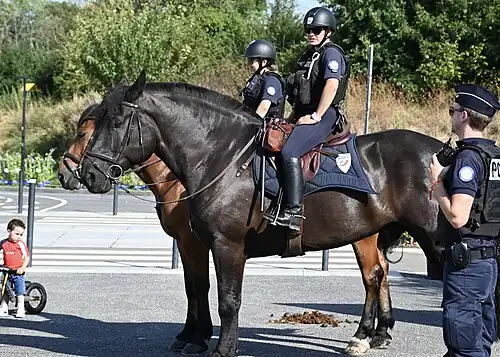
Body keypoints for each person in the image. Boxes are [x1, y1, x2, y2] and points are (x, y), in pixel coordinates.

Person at [428, 84, 500, 357]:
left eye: (453, 110)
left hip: (467, 265)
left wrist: (438, 185)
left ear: (464, 116)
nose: (451, 115)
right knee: (479, 342)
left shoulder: (468, 159)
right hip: (487, 262)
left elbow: (458, 216)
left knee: (465, 348)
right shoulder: (494, 156)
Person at [264, 6, 350, 231]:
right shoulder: (309, 55)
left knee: (290, 151)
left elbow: (332, 85)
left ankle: (293, 211)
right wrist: (290, 119)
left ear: (328, 31)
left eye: (317, 29)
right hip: (305, 114)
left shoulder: (331, 54)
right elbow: (302, 94)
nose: (311, 33)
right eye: (308, 29)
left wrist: (316, 115)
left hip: (325, 114)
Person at [241, 39, 286, 120]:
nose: (248, 64)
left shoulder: (272, 81)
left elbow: (264, 107)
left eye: (251, 61)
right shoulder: (257, 79)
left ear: (264, 62)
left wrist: (249, 125)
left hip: (266, 128)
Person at [0, 219, 30, 318]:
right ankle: (4, 306)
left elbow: (27, 257)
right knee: (5, 289)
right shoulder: (4, 243)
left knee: (19, 291)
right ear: (9, 231)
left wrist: (23, 267)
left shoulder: (20, 244)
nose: (19, 237)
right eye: (17, 234)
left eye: (21, 234)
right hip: (7, 270)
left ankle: (21, 308)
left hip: (17, 271)